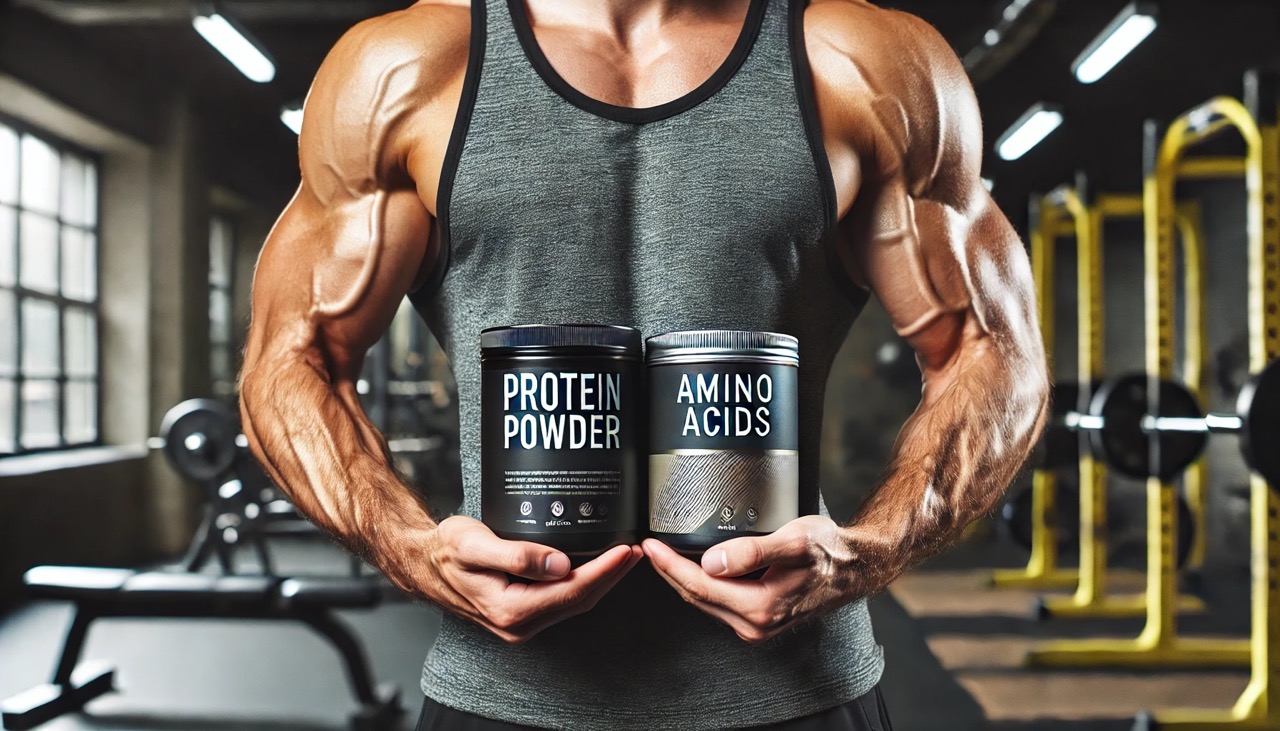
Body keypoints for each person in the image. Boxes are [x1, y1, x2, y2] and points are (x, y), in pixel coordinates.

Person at [239, 0, 1049, 728]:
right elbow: (290, 359)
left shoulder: (860, 63)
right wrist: (411, 547)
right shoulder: (409, 69)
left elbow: (992, 351)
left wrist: (865, 551)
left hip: (797, 687)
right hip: (509, 693)